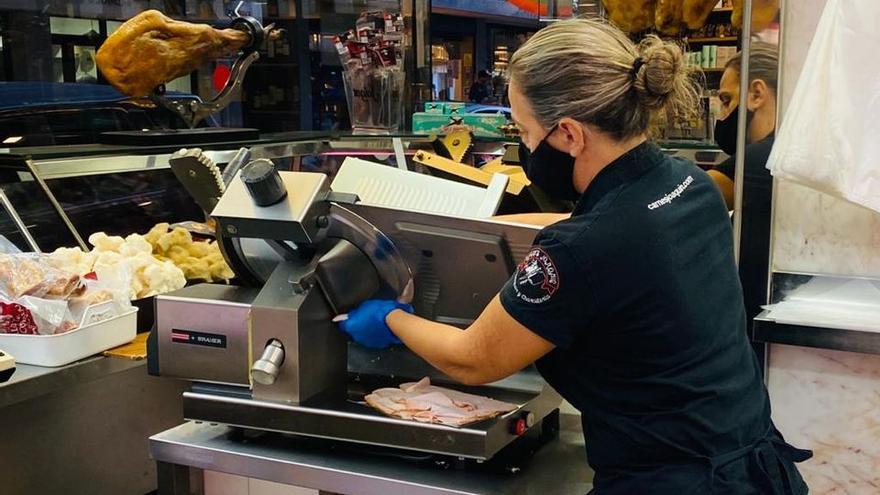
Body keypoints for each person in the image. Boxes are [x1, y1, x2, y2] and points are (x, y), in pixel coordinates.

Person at [339, 19, 810, 494]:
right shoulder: (689, 187)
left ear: (568, 133)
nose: (523, 147)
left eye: (524, 132)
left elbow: (473, 359)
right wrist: (471, 227)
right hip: (756, 468)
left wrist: (390, 319)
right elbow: (608, 234)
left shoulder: (581, 250)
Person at [707, 43, 778, 331]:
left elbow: (689, 197)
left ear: (756, 94)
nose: (723, 115)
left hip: (759, 320)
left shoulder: (768, 156)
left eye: (726, 100)